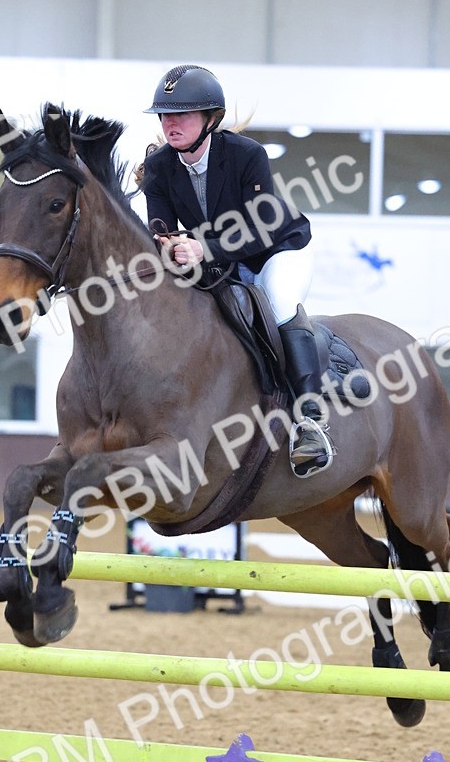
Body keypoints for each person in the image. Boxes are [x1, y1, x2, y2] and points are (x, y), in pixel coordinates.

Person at [141, 64, 334, 478]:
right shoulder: (159, 167)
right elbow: (160, 228)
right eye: (165, 115)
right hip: (218, 264)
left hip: (276, 251)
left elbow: (259, 227)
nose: (169, 123)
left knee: (278, 302)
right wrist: (170, 244)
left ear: (211, 119)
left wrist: (203, 247)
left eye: (182, 115)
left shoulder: (247, 156)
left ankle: (310, 422)